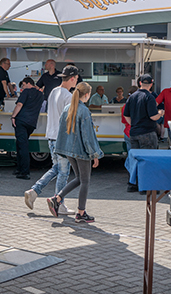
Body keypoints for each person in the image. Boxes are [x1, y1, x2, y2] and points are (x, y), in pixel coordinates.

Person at [24, 65, 79, 215]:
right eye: (76, 79)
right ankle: (58, 203)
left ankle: (34, 191)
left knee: (57, 168)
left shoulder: (54, 91)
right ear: (72, 78)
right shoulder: (68, 96)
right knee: (63, 172)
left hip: (51, 135)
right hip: (62, 138)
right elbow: (70, 119)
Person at [46, 82, 103, 223]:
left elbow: (62, 131)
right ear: (87, 94)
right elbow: (88, 137)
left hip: (69, 151)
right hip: (82, 151)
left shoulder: (68, 108)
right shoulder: (84, 111)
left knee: (79, 179)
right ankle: (80, 213)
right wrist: (95, 154)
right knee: (85, 181)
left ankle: (57, 198)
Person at [123, 74, 164, 192]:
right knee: (149, 160)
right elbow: (153, 117)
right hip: (147, 133)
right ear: (151, 84)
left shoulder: (132, 96)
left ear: (139, 83)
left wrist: (135, 124)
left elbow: (126, 115)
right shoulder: (149, 97)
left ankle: (133, 185)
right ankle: (147, 186)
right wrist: (160, 113)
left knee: (135, 160)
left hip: (134, 133)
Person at [11, 77, 44, 180]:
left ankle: (24, 172)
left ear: (28, 83)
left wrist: (13, 116)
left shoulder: (26, 92)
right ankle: (20, 169)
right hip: (32, 123)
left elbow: (19, 104)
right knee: (22, 144)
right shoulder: (40, 95)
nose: (23, 87)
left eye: (23, 85)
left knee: (22, 146)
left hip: (22, 121)